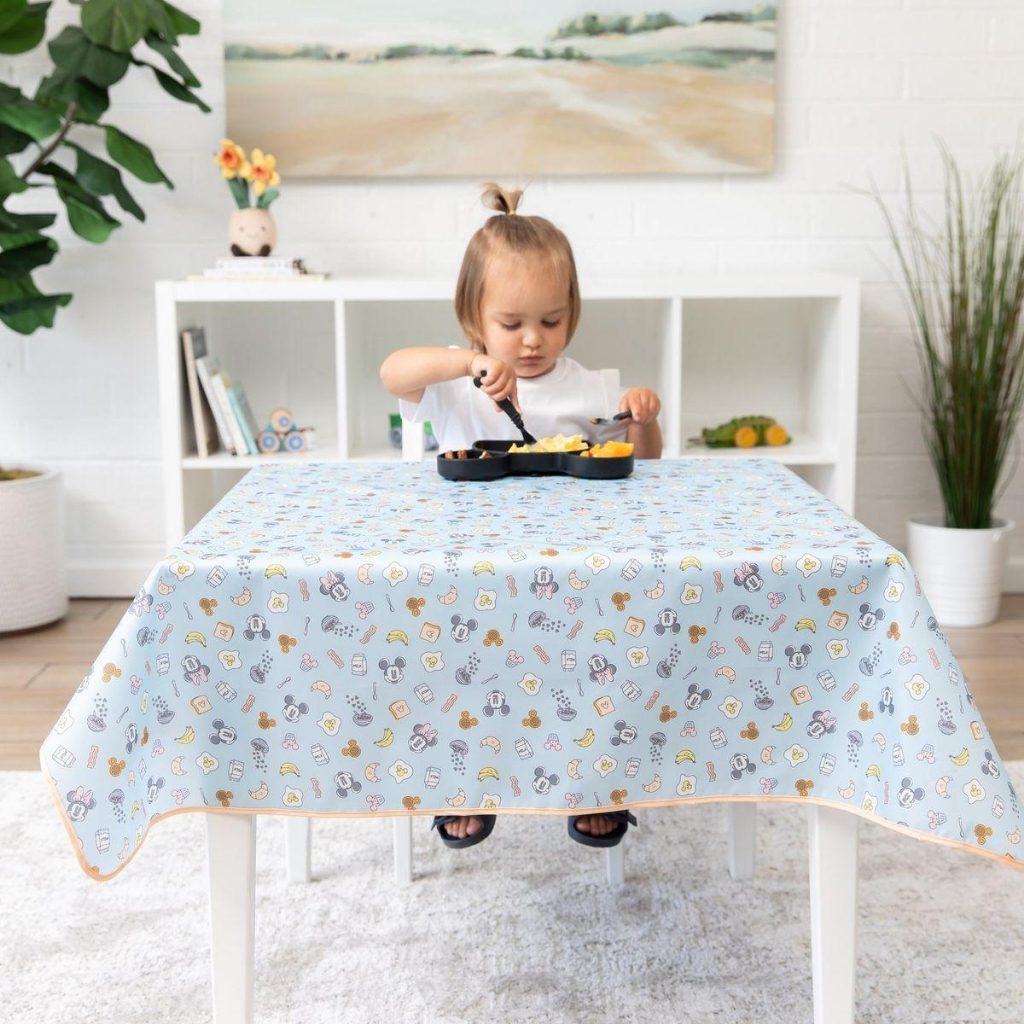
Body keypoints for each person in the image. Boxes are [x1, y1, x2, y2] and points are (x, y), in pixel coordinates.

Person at [380, 182, 662, 850]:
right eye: (510, 325)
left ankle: (595, 778)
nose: (533, 341)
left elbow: (642, 463)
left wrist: (643, 420)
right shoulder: (454, 383)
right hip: (468, 572)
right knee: (454, 662)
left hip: (573, 573)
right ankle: (464, 777)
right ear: (474, 317)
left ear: (572, 315)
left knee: (604, 654)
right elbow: (392, 372)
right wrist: (470, 363)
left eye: (552, 321)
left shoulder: (589, 387)